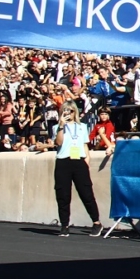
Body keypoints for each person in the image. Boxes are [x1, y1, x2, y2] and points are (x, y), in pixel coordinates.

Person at [53, 101, 102, 237]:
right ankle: (64, 224)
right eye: (65, 111)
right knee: (63, 194)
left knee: (86, 192)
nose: (68, 113)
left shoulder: (82, 127)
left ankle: (96, 222)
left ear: (76, 112)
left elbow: (85, 145)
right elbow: (59, 142)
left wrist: (87, 161)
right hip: (63, 161)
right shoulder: (57, 127)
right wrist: (61, 126)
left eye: (71, 111)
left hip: (78, 161)